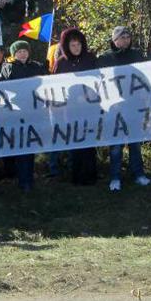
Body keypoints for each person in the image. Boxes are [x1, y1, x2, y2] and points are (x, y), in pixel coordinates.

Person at [97, 26, 151, 191]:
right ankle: (115, 178)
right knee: (116, 145)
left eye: (128, 36)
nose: (126, 39)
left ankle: (139, 174)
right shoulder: (105, 58)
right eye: (122, 37)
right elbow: (100, 82)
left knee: (135, 143)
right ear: (114, 40)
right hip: (114, 108)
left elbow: (145, 75)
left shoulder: (136, 55)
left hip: (133, 106)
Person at [53, 28, 98, 186]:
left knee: (90, 142)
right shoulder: (61, 63)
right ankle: (77, 176)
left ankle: (91, 175)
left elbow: (98, 80)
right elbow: (57, 87)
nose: (76, 47)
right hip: (71, 111)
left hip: (89, 108)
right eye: (73, 45)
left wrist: (89, 94)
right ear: (66, 46)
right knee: (76, 143)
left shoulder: (90, 59)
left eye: (79, 44)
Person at [0, 41, 47, 192]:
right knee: (21, 146)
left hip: (33, 111)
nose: (22, 54)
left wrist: (45, 70)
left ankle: (30, 177)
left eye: (24, 51)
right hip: (17, 113)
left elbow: (45, 84)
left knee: (31, 145)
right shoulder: (8, 67)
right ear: (14, 54)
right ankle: (23, 180)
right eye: (19, 51)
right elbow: (3, 87)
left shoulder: (36, 66)